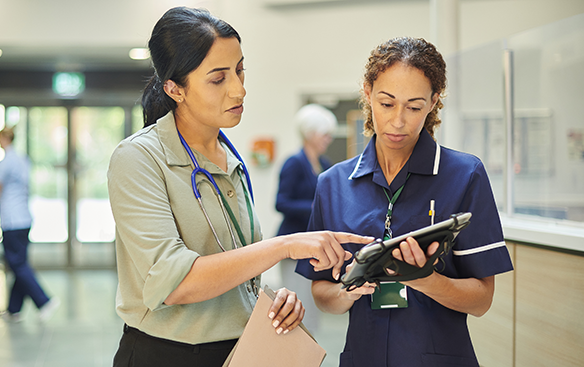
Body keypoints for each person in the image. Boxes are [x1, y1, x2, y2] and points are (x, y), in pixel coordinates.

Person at [107, 7, 371, 367]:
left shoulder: (229, 157)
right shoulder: (138, 158)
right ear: (174, 89)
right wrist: (285, 245)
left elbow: (235, 267)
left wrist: (270, 299)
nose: (239, 89)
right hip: (166, 354)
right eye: (218, 79)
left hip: (239, 350)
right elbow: (175, 282)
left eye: (240, 70)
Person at [296, 37, 514, 367]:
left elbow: (481, 299)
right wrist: (348, 291)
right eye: (386, 103)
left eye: (414, 107)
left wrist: (425, 279)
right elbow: (321, 292)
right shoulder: (333, 184)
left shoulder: (465, 175)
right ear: (368, 94)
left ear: (433, 102)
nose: (399, 121)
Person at [0, 127, 59, 323]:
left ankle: (44, 301)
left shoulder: (5, 162)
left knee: (17, 264)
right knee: (19, 264)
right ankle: (13, 310)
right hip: (24, 220)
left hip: (12, 222)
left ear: (5, 138)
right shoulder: (22, 160)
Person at [275, 103, 337, 335]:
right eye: (325, 134)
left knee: (311, 314)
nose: (328, 139)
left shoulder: (324, 165)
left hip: (313, 251)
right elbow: (281, 202)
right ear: (310, 134)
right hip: (292, 249)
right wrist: (313, 207)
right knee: (295, 311)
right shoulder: (294, 163)